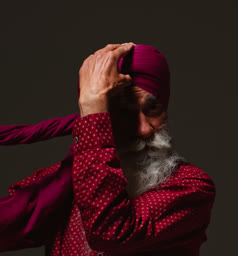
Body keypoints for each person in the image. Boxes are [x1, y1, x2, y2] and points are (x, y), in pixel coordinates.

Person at [0, 43, 216, 256]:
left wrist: (92, 110)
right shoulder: (69, 182)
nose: (143, 130)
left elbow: (111, 232)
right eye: (124, 112)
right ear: (103, 117)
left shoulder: (192, 187)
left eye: (153, 109)